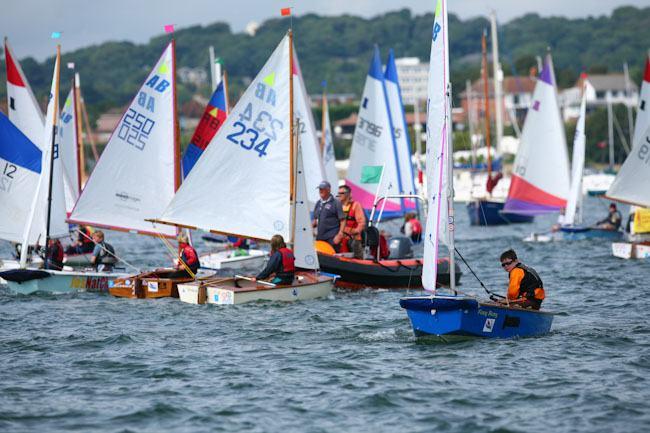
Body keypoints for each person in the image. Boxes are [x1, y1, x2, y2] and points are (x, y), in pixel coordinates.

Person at [312, 180, 345, 250]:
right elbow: (314, 220)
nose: (320, 191)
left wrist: (340, 234)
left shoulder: (336, 203)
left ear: (328, 190)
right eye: (320, 189)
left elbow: (343, 220)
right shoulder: (318, 203)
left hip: (332, 237)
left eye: (322, 189)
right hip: (320, 237)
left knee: (332, 258)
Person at [337, 185, 366, 258]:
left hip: (353, 239)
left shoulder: (355, 205)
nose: (339, 195)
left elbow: (361, 222)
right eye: (338, 193)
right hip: (340, 238)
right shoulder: (337, 206)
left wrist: (356, 231)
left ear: (348, 194)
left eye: (342, 193)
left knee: (357, 257)